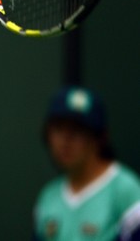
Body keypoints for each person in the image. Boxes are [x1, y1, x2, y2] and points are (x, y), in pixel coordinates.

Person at [33, 86, 140, 241]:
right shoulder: (48, 197)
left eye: (77, 130)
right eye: (58, 129)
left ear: (100, 138)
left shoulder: (127, 191)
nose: (65, 141)